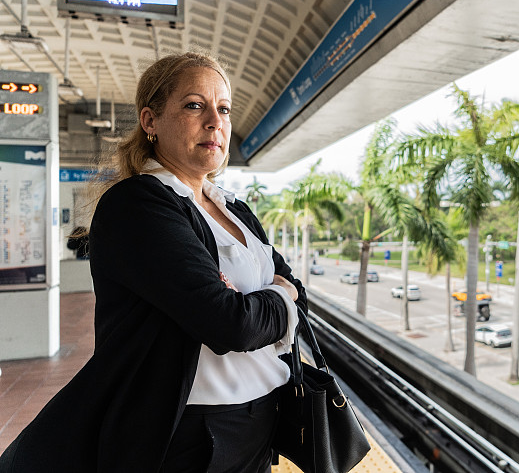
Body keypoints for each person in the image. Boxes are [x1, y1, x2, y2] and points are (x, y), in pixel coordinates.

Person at [0, 52, 306, 472]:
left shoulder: (235, 209)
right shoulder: (138, 205)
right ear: (150, 121)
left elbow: (295, 291)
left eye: (224, 108)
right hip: (190, 435)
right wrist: (277, 294)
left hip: (261, 425)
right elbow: (228, 323)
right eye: (194, 105)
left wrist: (272, 296)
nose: (215, 122)